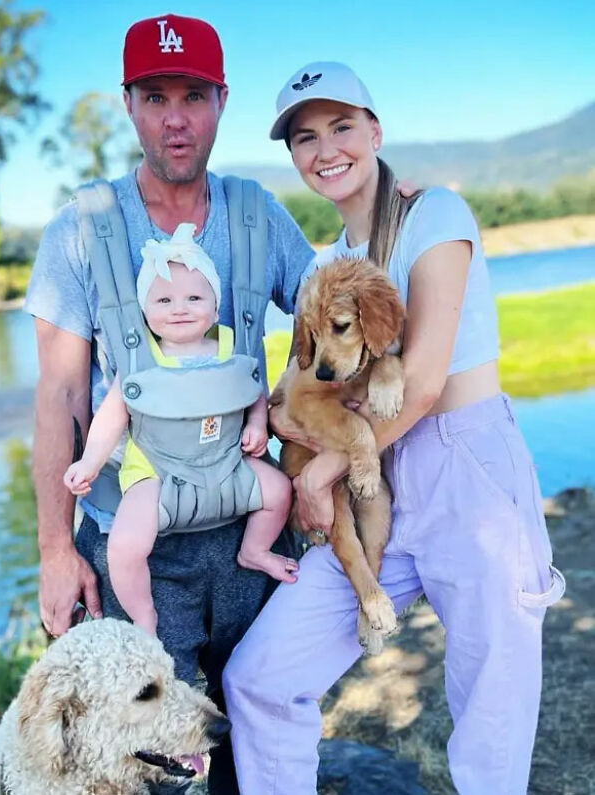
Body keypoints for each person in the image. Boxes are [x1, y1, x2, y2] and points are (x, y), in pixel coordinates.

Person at [223, 61, 566, 795]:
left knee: (490, 717)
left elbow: (428, 375)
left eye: (342, 126)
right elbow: (292, 394)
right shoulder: (328, 268)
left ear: (375, 131)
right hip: (374, 487)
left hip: (464, 470)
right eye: (305, 137)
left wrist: (319, 469)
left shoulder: (435, 213)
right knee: (259, 677)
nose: (325, 149)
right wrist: (304, 445)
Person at [24, 13, 314, 794]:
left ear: (222, 100)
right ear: (129, 104)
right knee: (154, 757)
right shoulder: (80, 229)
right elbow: (56, 395)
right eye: (155, 97)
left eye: (193, 95)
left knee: (257, 731)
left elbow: (327, 331)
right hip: (135, 543)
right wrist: (57, 547)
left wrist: (308, 454)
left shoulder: (258, 216)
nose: (175, 118)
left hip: (251, 526)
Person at [63, 224, 297, 636]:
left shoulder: (230, 347)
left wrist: (258, 423)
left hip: (226, 463)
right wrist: (89, 461)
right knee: (124, 545)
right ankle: (143, 615)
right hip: (158, 473)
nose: (180, 308)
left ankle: (254, 550)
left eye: (194, 297)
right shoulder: (141, 360)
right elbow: (112, 417)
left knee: (279, 490)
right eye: (165, 299)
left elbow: (253, 389)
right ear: (145, 309)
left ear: (214, 302)